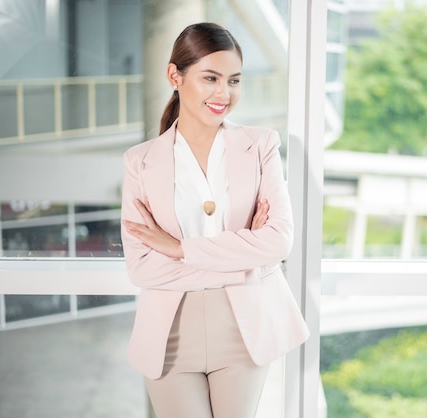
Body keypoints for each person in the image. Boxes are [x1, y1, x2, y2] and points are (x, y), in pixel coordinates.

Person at [120, 22, 309, 418]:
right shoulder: (140, 161)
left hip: (243, 332)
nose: (224, 93)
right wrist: (244, 262)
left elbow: (279, 241)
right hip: (169, 337)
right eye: (210, 78)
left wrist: (179, 249)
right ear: (175, 76)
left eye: (234, 80)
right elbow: (142, 268)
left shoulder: (261, 145)